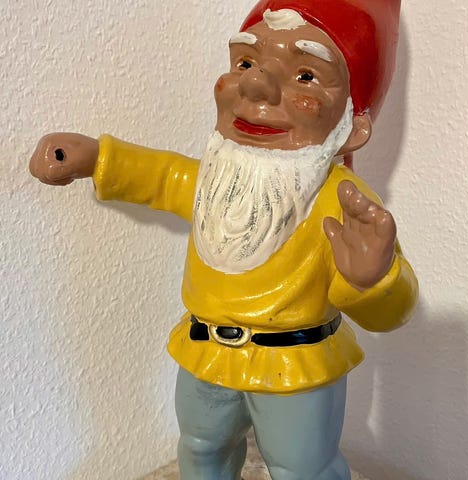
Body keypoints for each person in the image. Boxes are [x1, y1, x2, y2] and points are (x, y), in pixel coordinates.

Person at [29, 1, 418, 479]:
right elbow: (162, 176)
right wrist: (96, 158)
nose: (255, 86)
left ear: (353, 126)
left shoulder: (344, 203)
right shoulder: (216, 182)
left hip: (293, 367)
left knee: (301, 468)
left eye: (305, 76)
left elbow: (393, 312)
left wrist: (372, 281)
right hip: (205, 354)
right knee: (201, 448)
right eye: (246, 62)